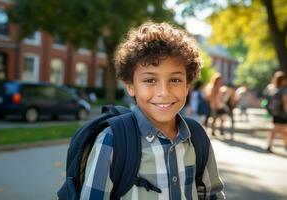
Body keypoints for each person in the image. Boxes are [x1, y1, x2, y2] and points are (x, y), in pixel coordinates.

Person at [79, 22, 225, 199]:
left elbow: (212, 194)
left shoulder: (197, 137)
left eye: (175, 80)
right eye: (150, 80)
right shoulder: (112, 140)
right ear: (131, 86)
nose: (164, 92)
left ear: (187, 86)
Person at [266, 71, 287, 153]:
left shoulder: (274, 89)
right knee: (281, 129)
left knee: (278, 129)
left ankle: (270, 145)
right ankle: (284, 145)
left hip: (275, 113)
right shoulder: (284, 90)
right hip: (283, 113)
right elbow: (285, 102)